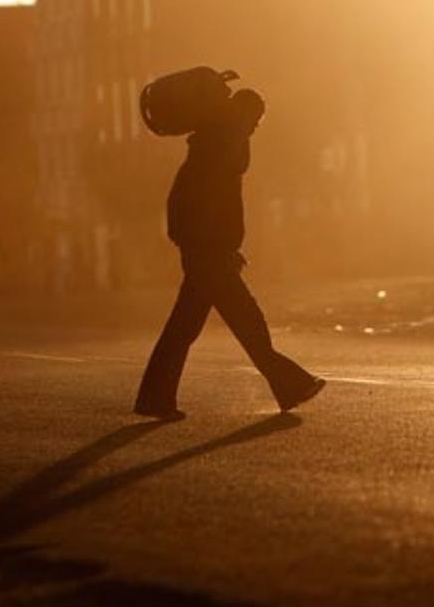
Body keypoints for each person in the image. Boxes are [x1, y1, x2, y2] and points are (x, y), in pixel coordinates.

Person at [134, 88, 325, 419]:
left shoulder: (216, 145)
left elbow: (203, 203)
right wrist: (221, 248)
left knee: (185, 327)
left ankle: (155, 398)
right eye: (255, 122)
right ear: (245, 116)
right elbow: (211, 206)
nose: (254, 129)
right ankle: (289, 384)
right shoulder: (221, 148)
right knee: (246, 320)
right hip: (210, 254)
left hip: (206, 251)